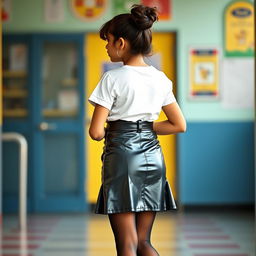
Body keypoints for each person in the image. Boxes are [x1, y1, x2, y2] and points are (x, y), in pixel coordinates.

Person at [88, 4, 186, 256]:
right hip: (153, 158)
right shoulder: (160, 78)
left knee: (127, 245)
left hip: (122, 158)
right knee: (143, 242)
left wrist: (121, 125)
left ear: (121, 42)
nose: (106, 47)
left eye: (108, 41)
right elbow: (178, 124)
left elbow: (96, 132)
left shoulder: (112, 78)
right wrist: (144, 125)